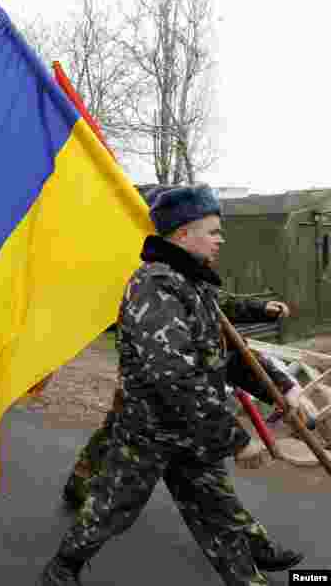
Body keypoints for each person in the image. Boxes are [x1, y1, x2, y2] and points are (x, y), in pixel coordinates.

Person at [39, 185, 308, 586]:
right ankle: (64, 565)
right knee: (114, 506)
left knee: (215, 506)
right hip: (150, 431)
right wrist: (233, 437)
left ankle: (248, 575)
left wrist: (283, 388)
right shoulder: (155, 286)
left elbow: (230, 354)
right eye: (213, 231)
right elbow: (173, 377)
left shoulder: (195, 283)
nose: (221, 239)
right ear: (183, 233)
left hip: (193, 430)